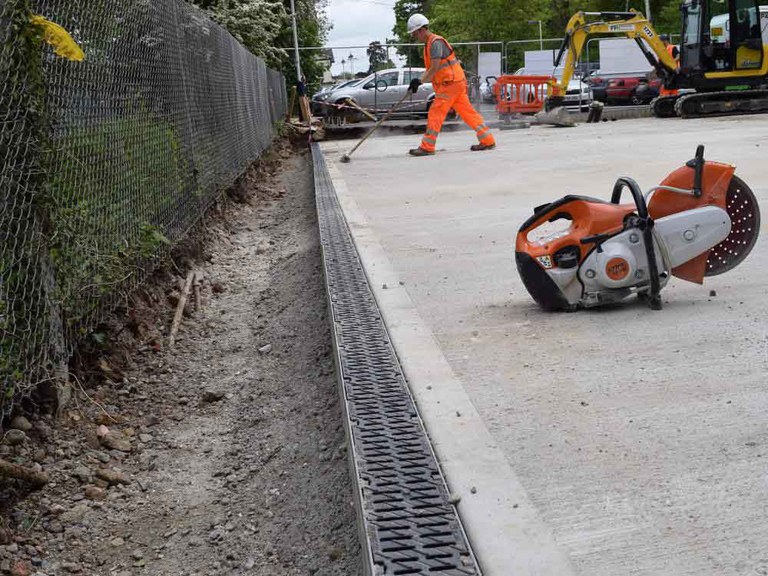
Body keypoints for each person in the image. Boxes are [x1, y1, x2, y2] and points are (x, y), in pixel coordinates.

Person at [405, 13, 496, 157]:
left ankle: (427, 146)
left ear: (422, 29)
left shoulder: (435, 43)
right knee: (468, 113)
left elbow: (434, 68)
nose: (415, 37)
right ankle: (487, 139)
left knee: (435, 113)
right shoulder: (430, 43)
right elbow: (434, 70)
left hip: (450, 84)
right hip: (456, 82)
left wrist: (419, 81)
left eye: (415, 33)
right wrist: (418, 81)